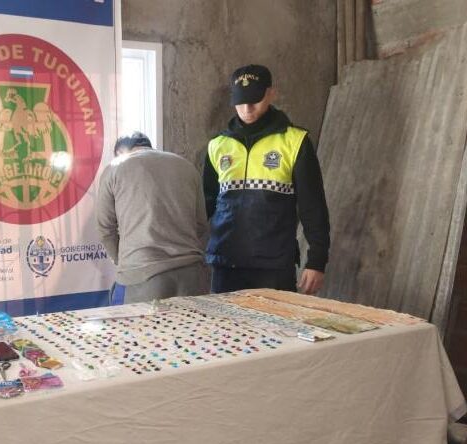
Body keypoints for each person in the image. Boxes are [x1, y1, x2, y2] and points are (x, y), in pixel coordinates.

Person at [203, 64, 330, 295]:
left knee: (276, 321)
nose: (247, 108)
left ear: (272, 94)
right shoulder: (218, 145)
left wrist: (317, 260)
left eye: (255, 100)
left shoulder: (294, 142)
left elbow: (313, 206)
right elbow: (204, 204)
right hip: (225, 263)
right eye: (240, 101)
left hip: (274, 265)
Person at [97, 132, 209, 303]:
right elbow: (200, 225)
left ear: (120, 152)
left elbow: (105, 230)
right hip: (192, 277)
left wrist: (125, 262)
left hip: (142, 279)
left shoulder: (115, 167)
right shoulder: (187, 167)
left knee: (128, 318)